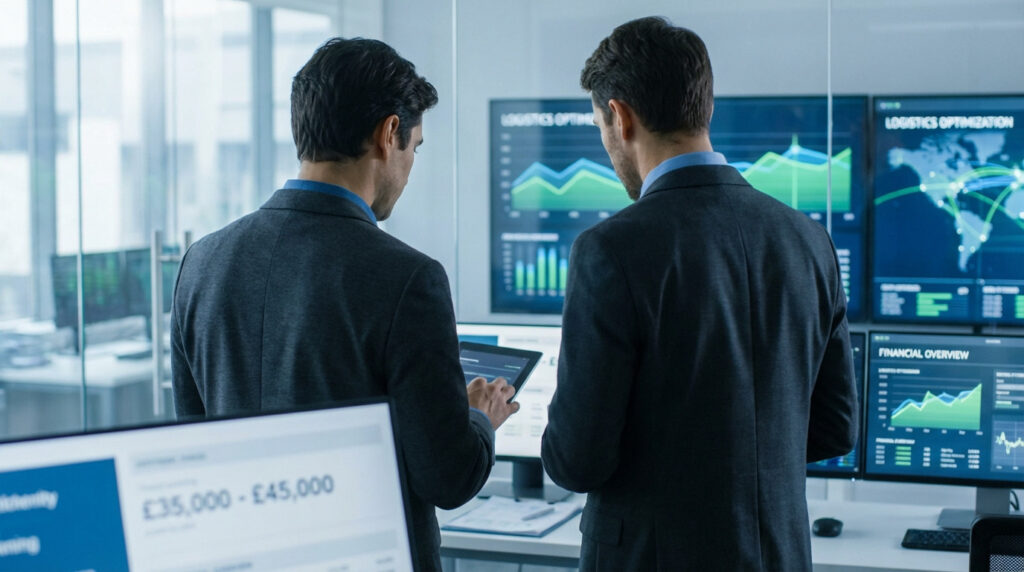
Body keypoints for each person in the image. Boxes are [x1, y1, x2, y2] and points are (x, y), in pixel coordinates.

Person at [170, 37, 519, 572]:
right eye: (414, 148)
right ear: (388, 135)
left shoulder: (202, 262)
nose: (409, 169)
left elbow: (195, 448)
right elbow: (447, 478)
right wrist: (478, 418)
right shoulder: (407, 278)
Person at [540, 17, 858, 571]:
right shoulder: (809, 240)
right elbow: (835, 427)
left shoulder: (611, 249)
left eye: (599, 126)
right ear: (701, 106)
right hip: (779, 555)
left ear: (620, 116)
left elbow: (577, 460)